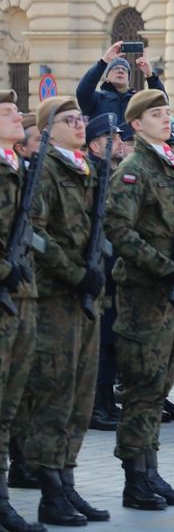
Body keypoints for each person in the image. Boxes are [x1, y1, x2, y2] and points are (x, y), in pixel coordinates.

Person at [105, 89, 174, 511]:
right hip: (144, 293)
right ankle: (135, 479)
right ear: (136, 124)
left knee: (159, 388)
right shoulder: (133, 169)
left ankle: (151, 470)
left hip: (170, 294)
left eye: (166, 113)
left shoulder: (171, 166)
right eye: (156, 114)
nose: (165, 119)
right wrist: (163, 266)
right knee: (141, 389)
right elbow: (120, 231)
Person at [23, 97, 109, 526]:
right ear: (47, 129)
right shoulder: (44, 171)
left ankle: (68, 481)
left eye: (81, 119)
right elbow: (35, 236)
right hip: (55, 299)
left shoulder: (86, 170)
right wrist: (75, 273)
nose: (79, 125)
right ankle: (49, 490)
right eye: (69, 120)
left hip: (86, 300)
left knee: (80, 397)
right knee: (54, 396)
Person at [0, 89, 40, 532]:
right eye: (7, 112)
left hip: (22, 297)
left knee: (12, 403)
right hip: (7, 293)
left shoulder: (19, 168)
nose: (17, 118)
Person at [86, 115, 124, 434]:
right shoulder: (95, 175)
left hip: (114, 268)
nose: (120, 142)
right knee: (100, 339)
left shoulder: (112, 173)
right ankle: (97, 404)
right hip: (99, 267)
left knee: (111, 338)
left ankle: (107, 401)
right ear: (96, 146)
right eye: (112, 137)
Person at [76, 41, 167, 122]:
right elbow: (82, 91)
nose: (120, 70)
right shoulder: (97, 99)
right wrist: (104, 61)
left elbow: (161, 101)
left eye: (124, 69)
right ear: (107, 77)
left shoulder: (137, 101)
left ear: (128, 79)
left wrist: (149, 74)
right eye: (116, 68)